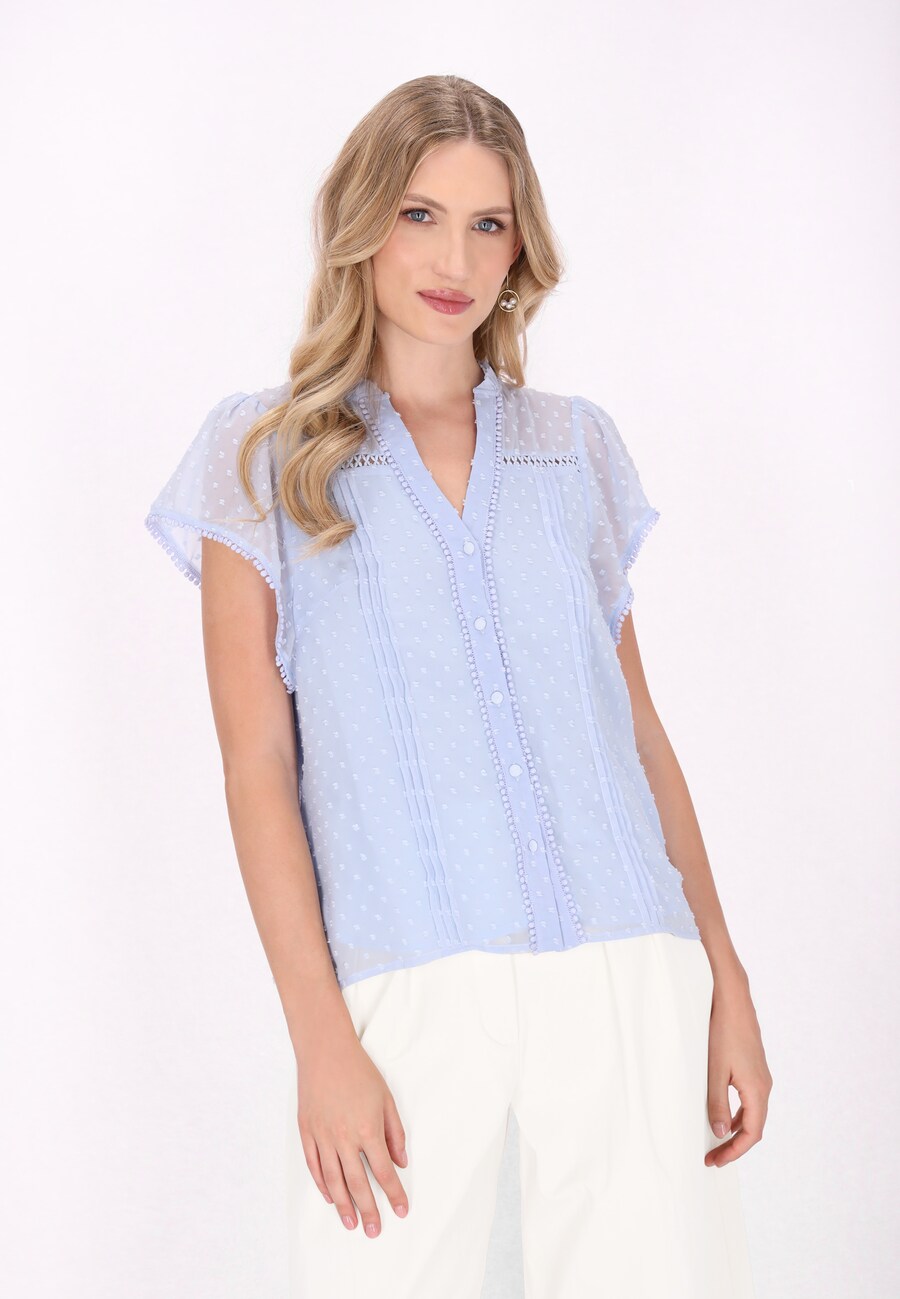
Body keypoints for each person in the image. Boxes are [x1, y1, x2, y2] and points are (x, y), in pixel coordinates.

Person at [144, 74, 771, 1298]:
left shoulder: (574, 449)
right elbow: (257, 766)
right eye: (420, 215)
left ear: (521, 246)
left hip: (630, 969)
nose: (455, 259)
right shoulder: (261, 457)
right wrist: (318, 1036)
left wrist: (725, 980)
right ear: (362, 221)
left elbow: (637, 733)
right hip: (405, 986)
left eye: (489, 224)